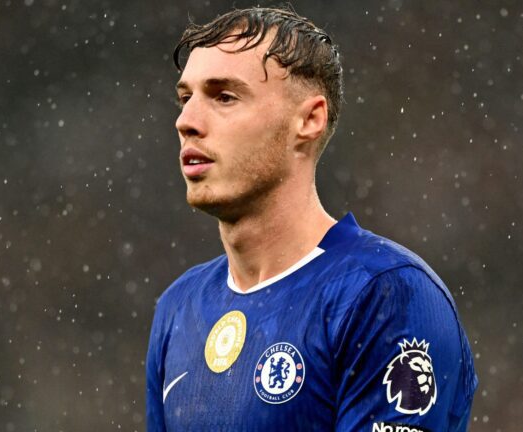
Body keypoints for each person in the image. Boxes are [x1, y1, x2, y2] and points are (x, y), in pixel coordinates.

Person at [146, 6, 477, 431]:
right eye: (185, 99)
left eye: (224, 97)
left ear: (309, 119)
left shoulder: (384, 294)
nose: (186, 121)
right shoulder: (179, 308)